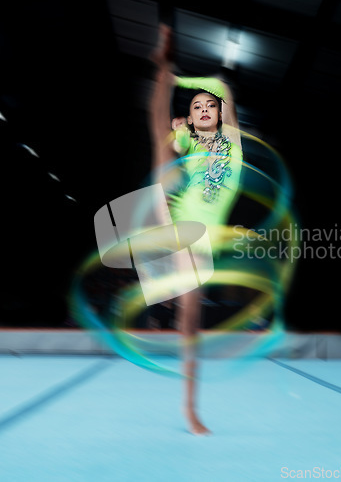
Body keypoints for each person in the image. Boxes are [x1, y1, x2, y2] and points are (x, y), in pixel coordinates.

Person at [148, 24, 242, 435]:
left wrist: (183, 80)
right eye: (197, 107)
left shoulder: (232, 143)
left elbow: (222, 86)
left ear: (219, 114)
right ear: (189, 118)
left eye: (210, 107)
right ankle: (159, 69)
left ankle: (190, 407)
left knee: (190, 319)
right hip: (181, 226)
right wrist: (168, 80)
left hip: (205, 236)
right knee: (158, 148)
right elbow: (167, 138)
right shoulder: (184, 146)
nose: (205, 109)